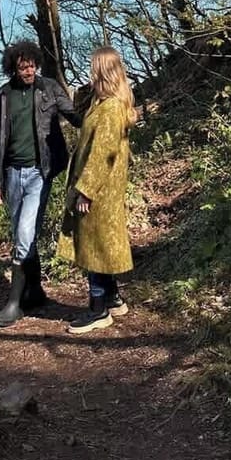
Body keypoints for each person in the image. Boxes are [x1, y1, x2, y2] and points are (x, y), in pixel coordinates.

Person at [0, 40, 80, 329]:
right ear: (13, 67)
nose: (28, 71)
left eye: (31, 65)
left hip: (41, 171)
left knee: (24, 233)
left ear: (37, 64)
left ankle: (14, 304)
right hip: (12, 174)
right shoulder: (3, 96)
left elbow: (73, 115)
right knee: (22, 233)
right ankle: (36, 291)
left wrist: (98, 113)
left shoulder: (49, 88)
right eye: (22, 66)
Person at [57, 45, 137, 334]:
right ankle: (113, 298)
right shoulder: (101, 103)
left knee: (92, 247)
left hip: (99, 189)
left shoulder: (112, 108)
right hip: (104, 189)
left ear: (102, 71)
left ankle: (98, 309)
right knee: (101, 244)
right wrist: (84, 91)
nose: (90, 73)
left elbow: (103, 153)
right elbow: (78, 113)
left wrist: (86, 190)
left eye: (94, 69)